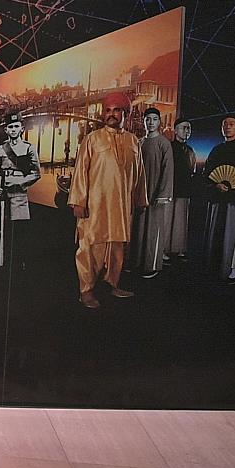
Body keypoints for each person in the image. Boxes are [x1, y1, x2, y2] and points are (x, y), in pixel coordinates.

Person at [69, 93, 144, 308]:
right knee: (91, 246)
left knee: (117, 246)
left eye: (116, 110)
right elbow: (80, 172)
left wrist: (139, 200)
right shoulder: (92, 139)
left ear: (126, 114)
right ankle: (86, 290)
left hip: (121, 206)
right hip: (95, 206)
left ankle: (112, 283)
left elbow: (140, 175)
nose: (111, 114)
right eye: (108, 110)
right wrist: (78, 201)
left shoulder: (133, 141)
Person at [201, 116, 235, 282]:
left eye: (231, 124)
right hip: (216, 198)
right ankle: (213, 265)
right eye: (224, 124)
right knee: (214, 231)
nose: (227, 127)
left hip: (234, 199)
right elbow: (206, 174)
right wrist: (215, 185)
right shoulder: (216, 150)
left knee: (232, 233)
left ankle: (232, 267)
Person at [0, 112, 40, 269]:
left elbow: (36, 173)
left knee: (18, 229)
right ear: (6, 130)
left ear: (22, 128)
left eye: (16, 126)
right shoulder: (0, 149)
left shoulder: (29, 148)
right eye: (10, 127)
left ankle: (19, 262)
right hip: (2, 193)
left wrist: (19, 181)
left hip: (18, 194)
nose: (13, 129)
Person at [134, 107, 174, 279]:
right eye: (147, 119)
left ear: (159, 122)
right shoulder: (139, 142)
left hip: (155, 193)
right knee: (138, 228)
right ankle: (138, 262)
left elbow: (168, 169)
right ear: (144, 121)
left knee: (153, 229)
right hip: (139, 192)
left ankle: (152, 265)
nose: (150, 122)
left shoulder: (164, 143)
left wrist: (162, 194)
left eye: (154, 119)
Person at [165, 119, 197, 263]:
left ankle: (178, 249)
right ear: (175, 130)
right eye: (183, 128)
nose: (186, 131)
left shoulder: (190, 150)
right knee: (167, 221)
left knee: (180, 221)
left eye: (188, 128)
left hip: (184, 189)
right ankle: (164, 250)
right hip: (170, 189)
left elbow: (193, 170)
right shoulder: (169, 148)